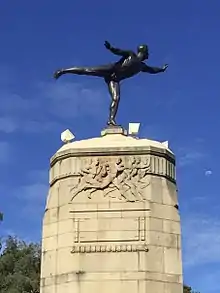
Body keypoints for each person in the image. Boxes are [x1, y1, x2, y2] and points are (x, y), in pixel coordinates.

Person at [54, 41, 168, 126]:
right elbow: (118, 51)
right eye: (147, 53)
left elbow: (152, 70)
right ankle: (63, 71)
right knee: (87, 70)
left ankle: (111, 120)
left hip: (114, 80)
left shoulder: (142, 66)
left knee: (116, 98)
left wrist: (161, 70)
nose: (149, 55)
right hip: (110, 69)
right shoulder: (131, 55)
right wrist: (110, 48)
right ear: (144, 52)